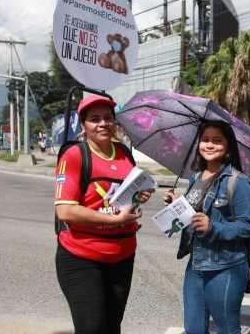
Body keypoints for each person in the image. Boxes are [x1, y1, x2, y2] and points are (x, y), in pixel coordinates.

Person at [54, 94, 155, 334]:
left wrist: (138, 196)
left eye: (108, 117)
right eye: (94, 119)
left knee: (112, 328)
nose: (102, 123)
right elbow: (65, 210)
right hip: (82, 257)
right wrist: (113, 220)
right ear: (83, 125)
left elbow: (123, 196)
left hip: (122, 256)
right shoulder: (75, 156)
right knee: (92, 328)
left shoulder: (123, 153)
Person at [163, 120, 250, 334]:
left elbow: (248, 225)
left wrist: (213, 227)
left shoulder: (237, 181)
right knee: (193, 329)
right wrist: (176, 205)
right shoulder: (196, 178)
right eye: (205, 140)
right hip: (196, 265)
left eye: (217, 140)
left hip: (226, 267)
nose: (210, 145)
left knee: (227, 329)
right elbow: (192, 214)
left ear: (228, 146)